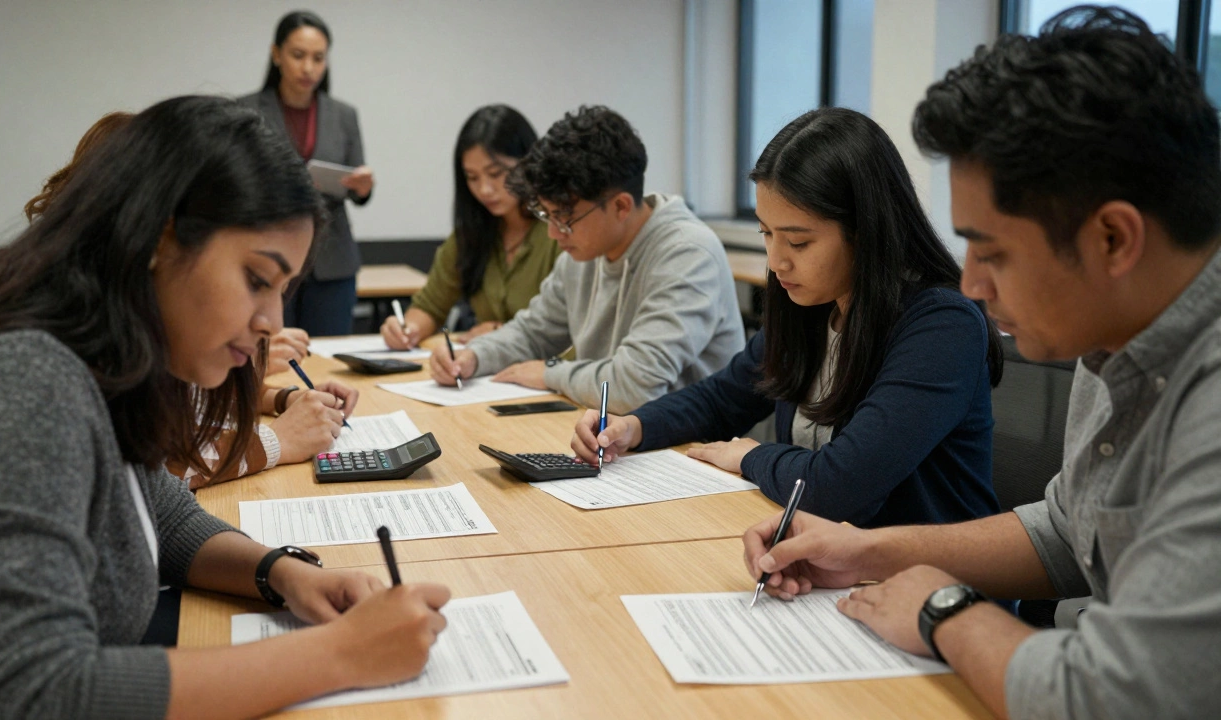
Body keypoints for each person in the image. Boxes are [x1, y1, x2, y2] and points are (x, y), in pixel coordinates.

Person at [741, 8, 1221, 719]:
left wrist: (944, 609)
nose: (971, 284)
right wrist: (868, 552)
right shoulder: (1110, 329)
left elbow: (1121, 694)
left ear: (1113, 239)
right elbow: (1068, 531)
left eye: (992, 252)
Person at [0, 96, 449, 719]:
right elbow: (33, 691)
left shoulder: (103, 368)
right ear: (160, 239)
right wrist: (342, 654)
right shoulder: (26, 378)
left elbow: (160, 511)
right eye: (258, 279)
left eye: (284, 291)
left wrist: (284, 574)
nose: (272, 322)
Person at [572, 107, 1002, 525]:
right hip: (830, 564)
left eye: (798, 242)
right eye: (766, 233)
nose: (777, 262)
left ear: (866, 233)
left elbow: (838, 488)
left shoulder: (942, 326)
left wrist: (750, 456)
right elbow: (722, 399)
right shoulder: (813, 304)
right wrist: (634, 427)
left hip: (930, 585)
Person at [22, 111, 357, 489]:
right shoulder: (50, 366)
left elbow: (161, 480)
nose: (272, 321)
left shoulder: (128, 334)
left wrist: (282, 400)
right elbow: (163, 468)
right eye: (256, 280)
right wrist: (277, 440)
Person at [431, 105, 745, 414]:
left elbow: (634, 387)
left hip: (692, 448)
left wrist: (548, 372)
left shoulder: (687, 254)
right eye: (546, 215)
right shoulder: (583, 253)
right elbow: (533, 333)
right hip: (613, 432)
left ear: (621, 206)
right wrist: (473, 356)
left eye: (564, 219)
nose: (553, 233)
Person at [240, 10, 375, 336]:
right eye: (298, 55)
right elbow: (236, 182)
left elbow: (357, 187)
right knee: (268, 354)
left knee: (327, 356)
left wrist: (363, 186)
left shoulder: (344, 114)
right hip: (268, 250)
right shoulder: (245, 110)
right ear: (276, 54)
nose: (308, 67)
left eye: (318, 58)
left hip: (332, 257)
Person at [382, 105, 559, 348]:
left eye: (496, 174)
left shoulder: (560, 231)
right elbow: (431, 306)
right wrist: (407, 328)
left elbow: (571, 327)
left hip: (545, 371)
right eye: (472, 178)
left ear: (528, 164)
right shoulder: (471, 233)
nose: (484, 189)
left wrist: (503, 331)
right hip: (486, 372)